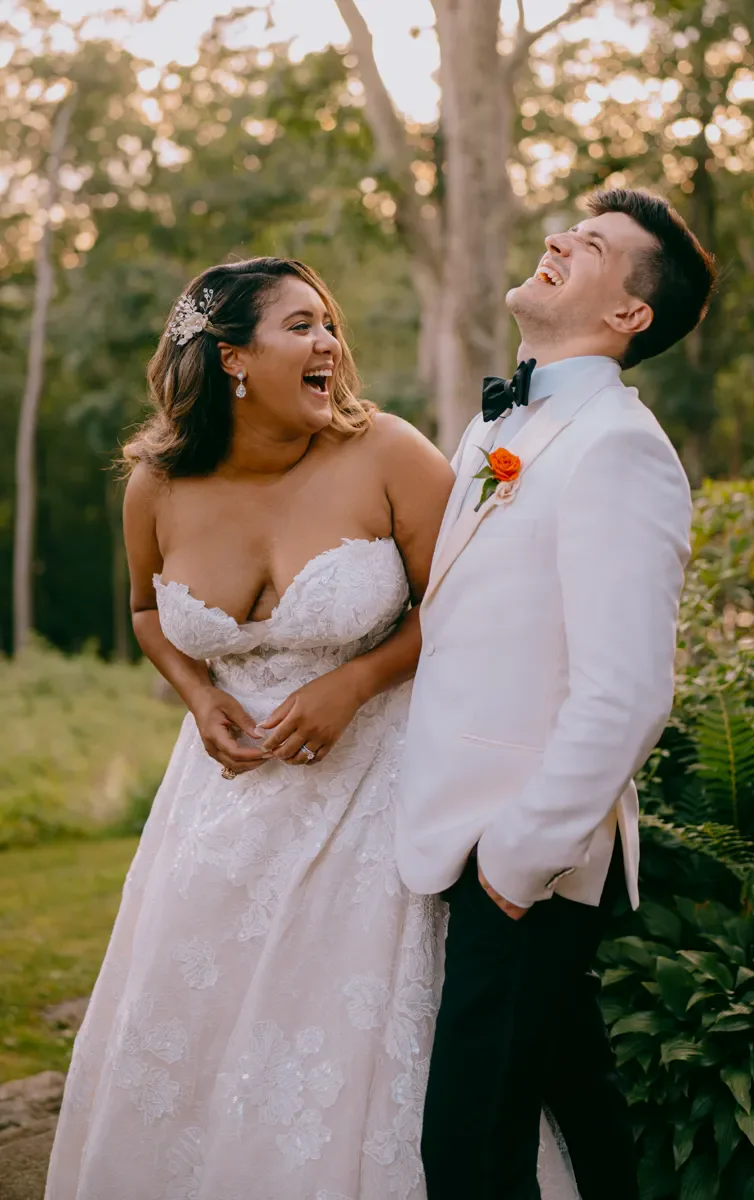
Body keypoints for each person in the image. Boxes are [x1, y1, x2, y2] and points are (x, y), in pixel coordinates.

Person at [45, 256, 463, 1200]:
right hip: (221, 804)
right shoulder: (155, 485)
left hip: (374, 790)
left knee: (335, 1037)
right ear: (231, 357)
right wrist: (199, 697)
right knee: (193, 1028)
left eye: (331, 325)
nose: (331, 345)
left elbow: (467, 602)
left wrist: (355, 683)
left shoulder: (390, 451)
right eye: (303, 327)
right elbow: (149, 614)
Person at [396, 187, 718, 1200]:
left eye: (589, 245)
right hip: (463, 837)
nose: (556, 241)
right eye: (567, 229)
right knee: (572, 1116)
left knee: (468, 1154)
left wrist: (515, 860)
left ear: (629, 314)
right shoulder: (502, 427)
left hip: (524, 861)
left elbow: (625, 694)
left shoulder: (618, 447)